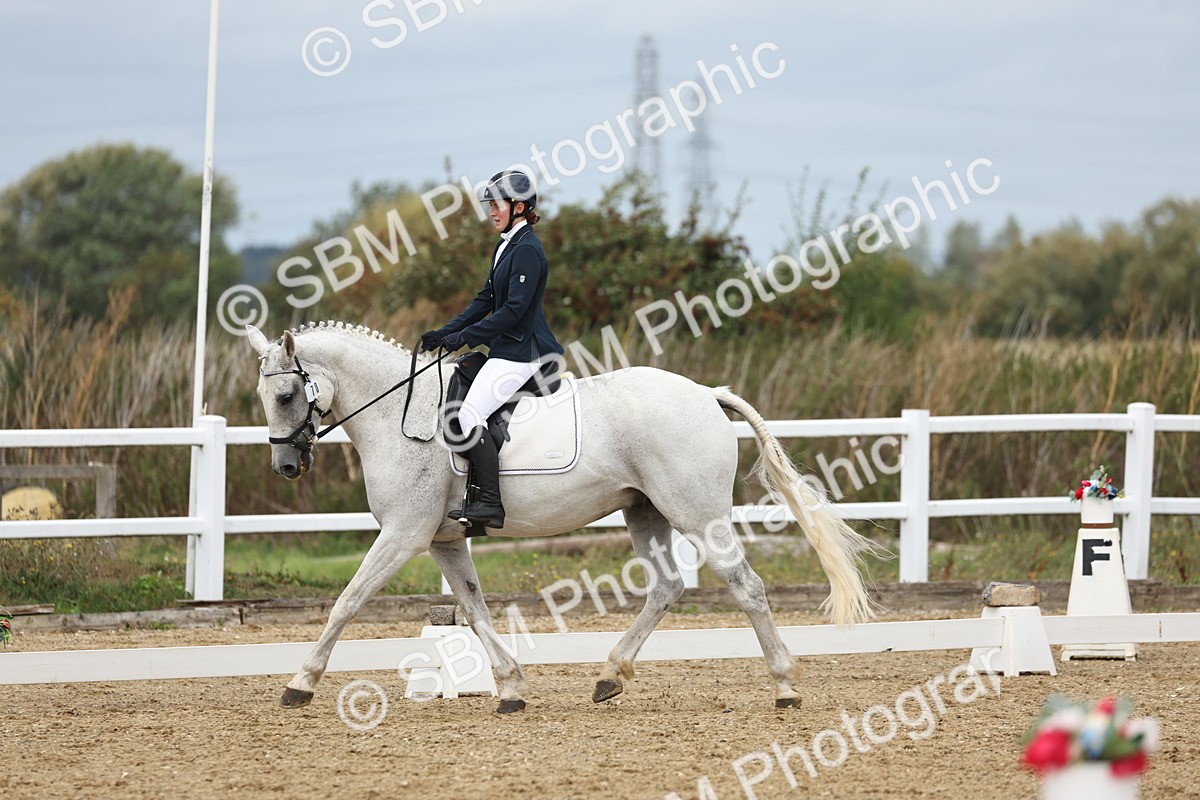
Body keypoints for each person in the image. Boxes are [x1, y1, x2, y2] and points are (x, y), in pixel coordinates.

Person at [420, 170, 564, 530]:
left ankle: (489, 502)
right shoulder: (506, 245)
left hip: (525, 353)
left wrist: (465, 337)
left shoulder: (528, 250)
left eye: (496, 205)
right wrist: (445, 332)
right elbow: (485, 300)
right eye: (490, 205)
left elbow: (513, 311)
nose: (491, 212)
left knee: (468, 416)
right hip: (506, 349)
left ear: (519, 207)